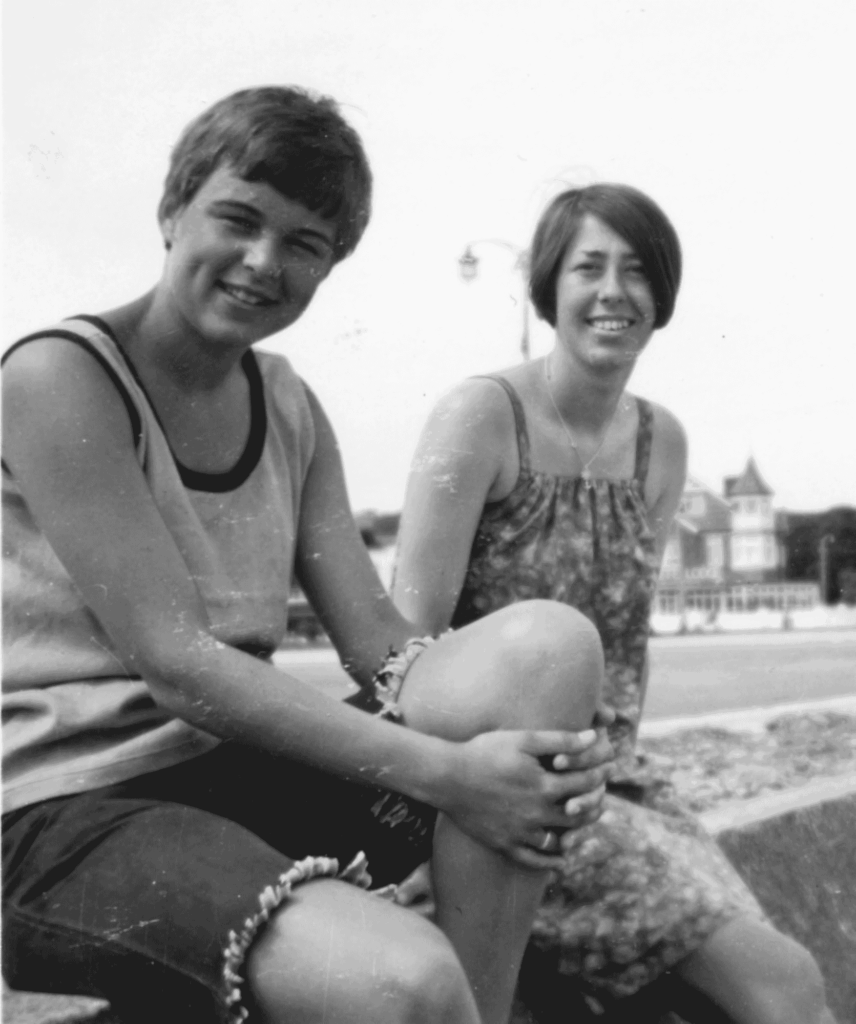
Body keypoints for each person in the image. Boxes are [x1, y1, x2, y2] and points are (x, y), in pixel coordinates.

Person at [1, 88, 616, 1024]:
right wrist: (450, 775)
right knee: (404, 980)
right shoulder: (60, 376)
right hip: (67, 817)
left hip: (232, 777)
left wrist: (548, 754)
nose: (263, 261)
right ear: (172, 211)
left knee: (548, 649)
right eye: (237, 219)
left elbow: (380, 646)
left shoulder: (288, 405)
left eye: (303, 244)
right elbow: (178, 663)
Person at [392, 183, 836, 1023]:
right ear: (549, 286)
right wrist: (431, 818)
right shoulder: (482, 417)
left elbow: (629, 650)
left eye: (637, 271)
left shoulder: (660, 443)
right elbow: (399, 652)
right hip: (503, 795)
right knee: (782, 986)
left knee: (767, 987)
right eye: (588, 267)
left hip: (620, 788)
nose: (613, 291)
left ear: (662, 294)